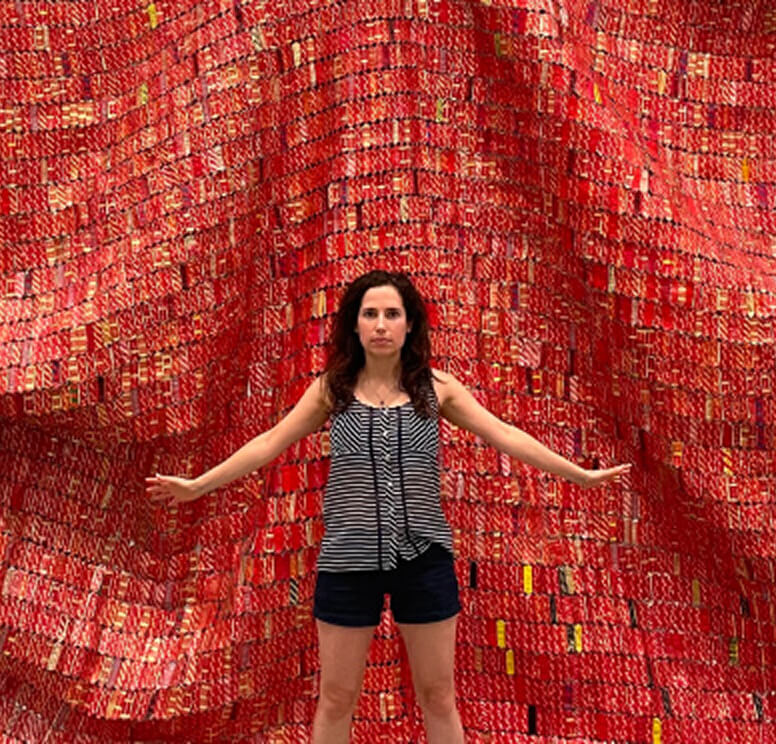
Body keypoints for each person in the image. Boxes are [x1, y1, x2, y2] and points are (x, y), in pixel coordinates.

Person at [146, 269, 631, 744]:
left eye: (392, 314)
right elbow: (269, 442)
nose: (381, 325)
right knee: (336, 697)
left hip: (425, 559)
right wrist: (198, 485)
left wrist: (580, 474)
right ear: (355, 325)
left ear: (410, 324)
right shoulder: (331, 390)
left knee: (438, 695)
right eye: (370, 314)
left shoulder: (437, 389)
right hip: (347, 560)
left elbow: (504, 434)